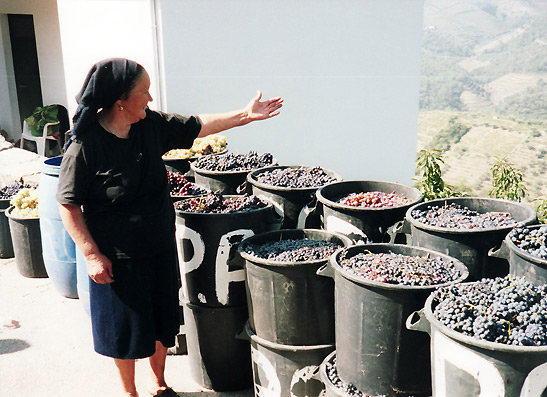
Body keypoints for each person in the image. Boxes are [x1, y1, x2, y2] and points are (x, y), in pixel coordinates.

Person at [56, 58, 282, 397]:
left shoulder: (150, 125)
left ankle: (159, 382)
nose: (149, 99)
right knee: (125, 331)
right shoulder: (86, 146)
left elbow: (197, 125)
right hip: (117, 257)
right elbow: (67, 203)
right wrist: (91, 254)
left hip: (159, 245)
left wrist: (245, 115)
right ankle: (130, 392)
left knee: (163, 321)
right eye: (143, 93)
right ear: (120, 101)